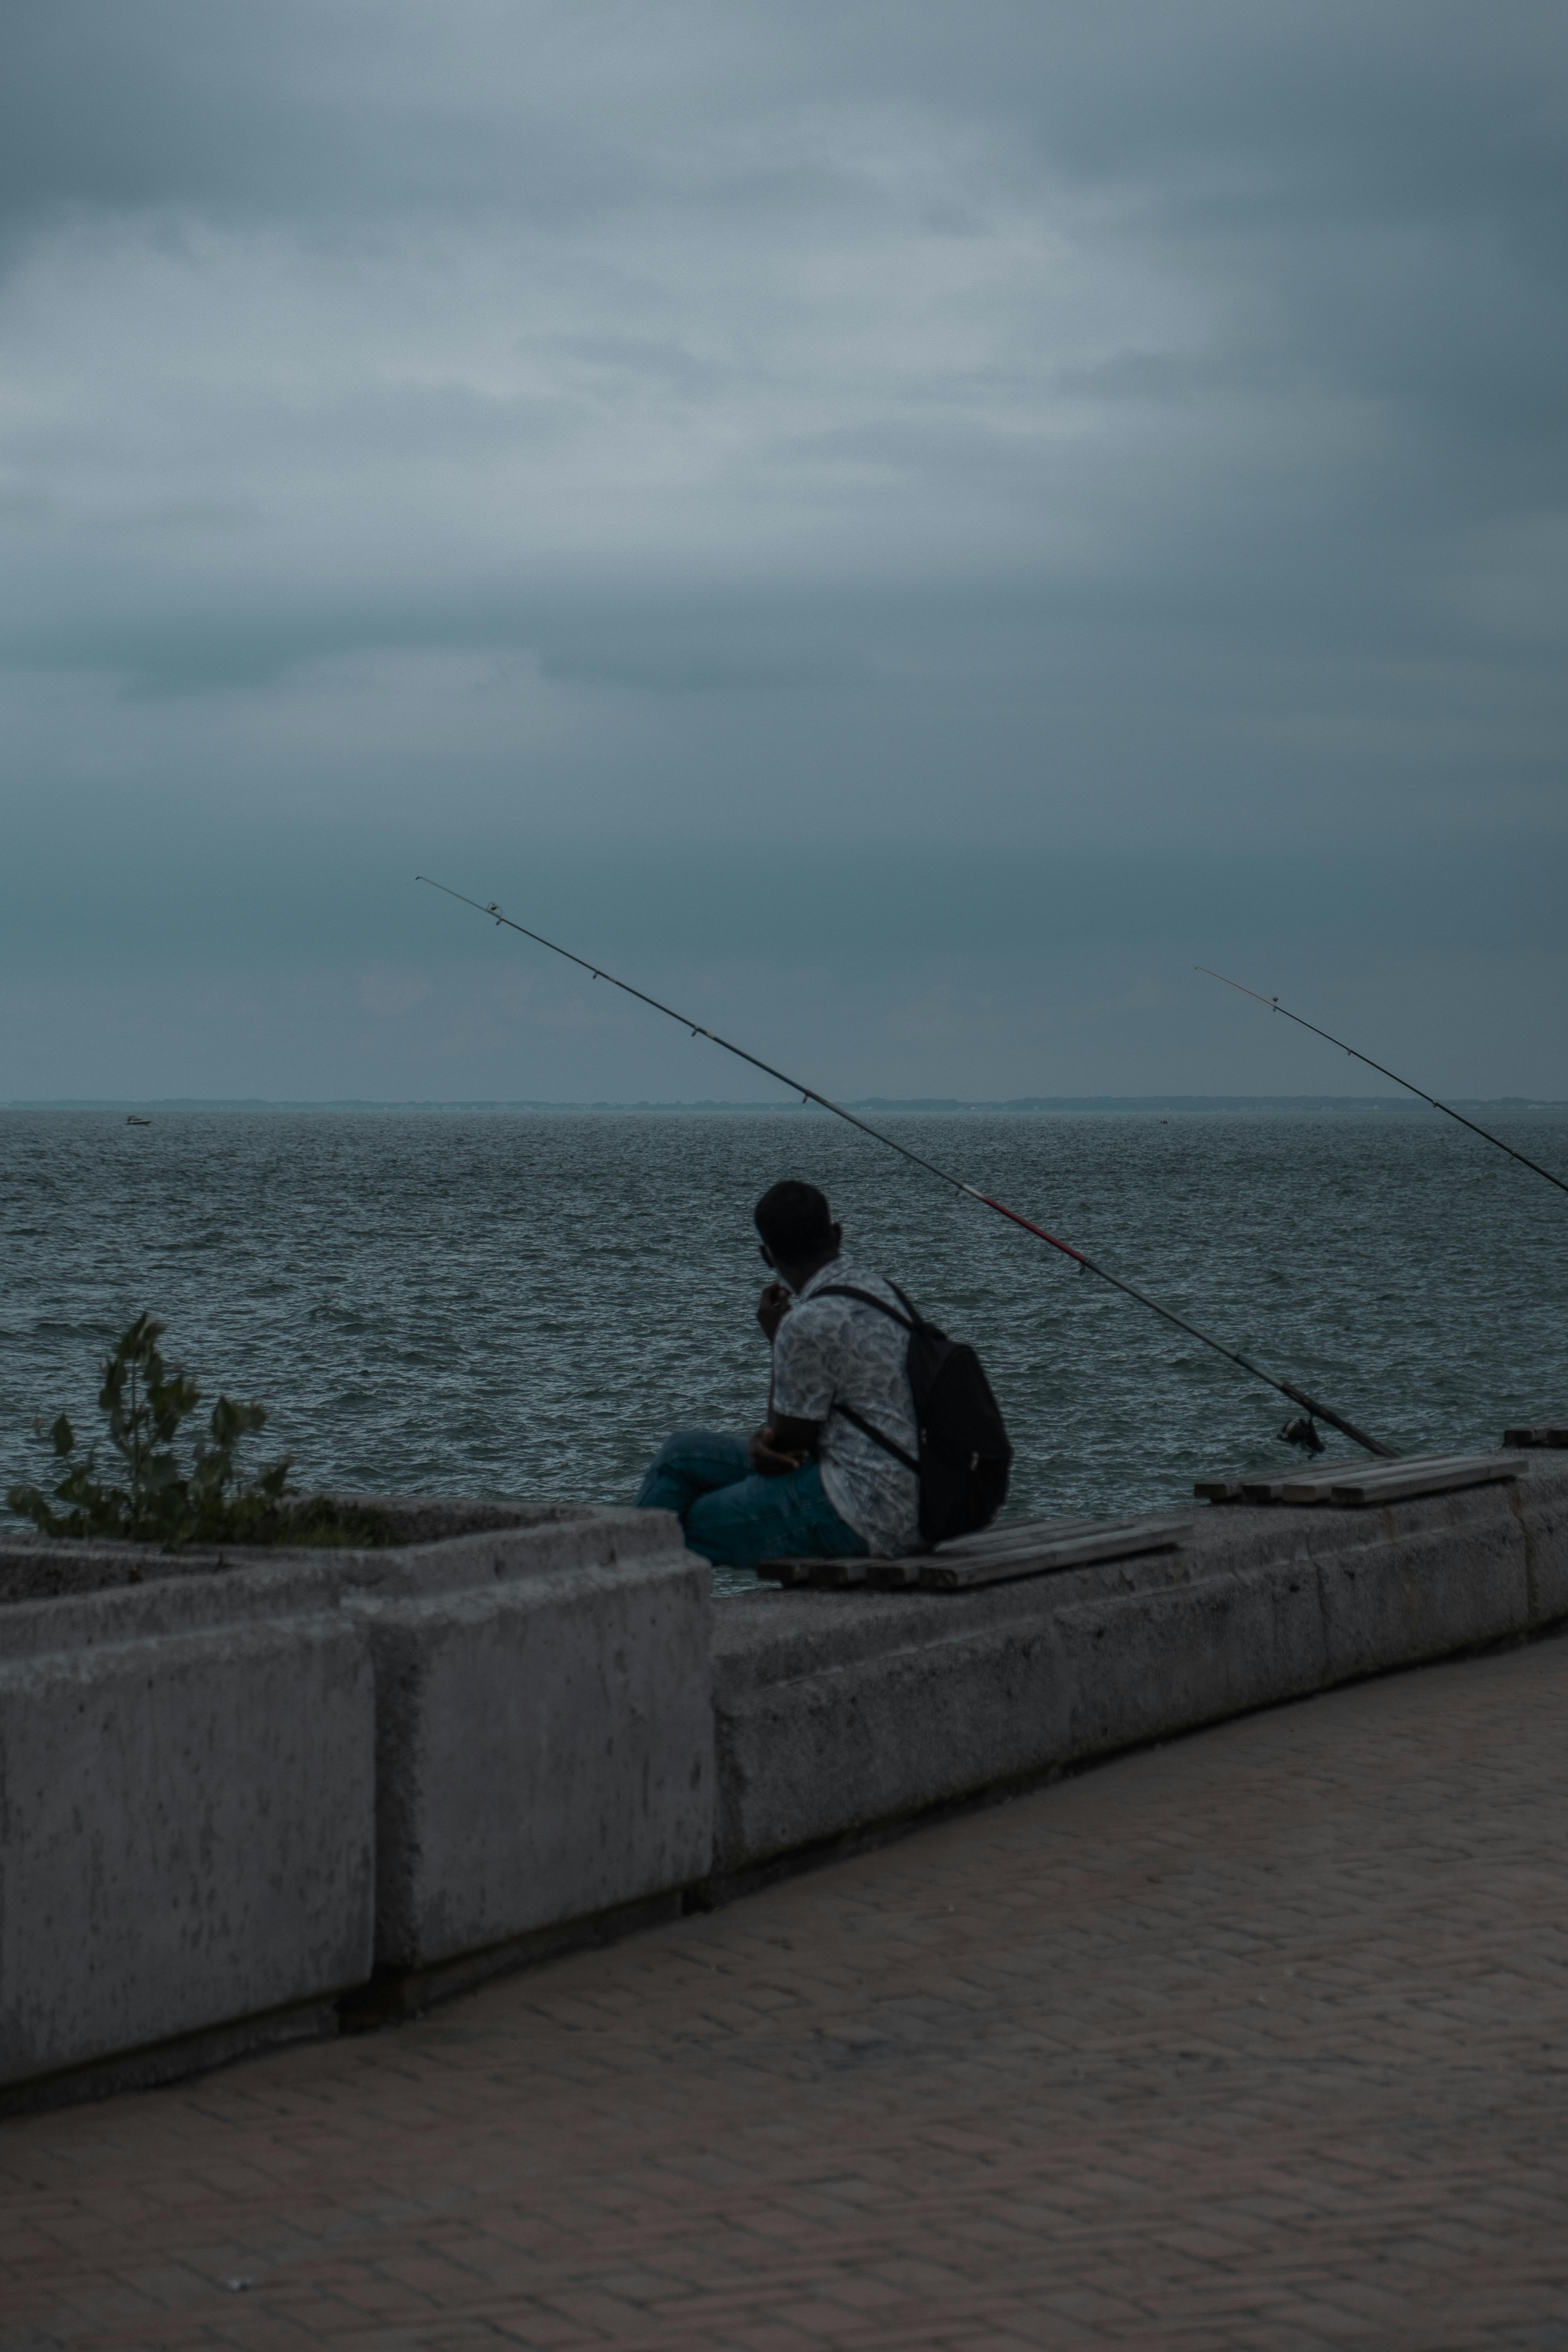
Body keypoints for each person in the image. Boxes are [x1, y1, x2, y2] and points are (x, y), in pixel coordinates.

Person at [635, 1180, 922, 1568]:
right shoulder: (886, 1294)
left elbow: (785, 1448)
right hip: (917, 1493)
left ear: (767, 1256)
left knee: (676, 1528)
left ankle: (623, 1601)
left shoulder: (804, 1323)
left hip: (864, 1513)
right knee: (678, 1454)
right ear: (837, 1233)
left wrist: (778, 1339)